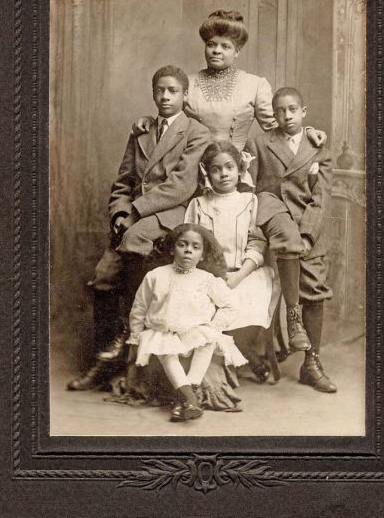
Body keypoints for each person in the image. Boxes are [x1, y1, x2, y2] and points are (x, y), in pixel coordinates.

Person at [67, 65, 211, 391]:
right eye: (159, 90)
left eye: (173, 90)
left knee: (133, 240)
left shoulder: (195, 132)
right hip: (134, 216)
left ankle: (128, 333)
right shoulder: (142, 131)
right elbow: (124, 180)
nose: (165, 96)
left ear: (185, 95)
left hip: (169, 213)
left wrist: (134, 211)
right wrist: (120, 211)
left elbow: (180, 186)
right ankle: (105, 356)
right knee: (103, 275)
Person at [247, 87, 337, 393]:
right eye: (280, 111)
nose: (286, 116)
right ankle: (258, 353)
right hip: (273, 224)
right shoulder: (260, 142)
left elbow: (321, 198)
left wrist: (309, 234)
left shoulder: (318, 146)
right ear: (273, 115)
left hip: (307, 226)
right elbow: (251, 188)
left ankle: (312, 362)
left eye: (292, 110)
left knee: (314, 290)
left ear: (304, 112)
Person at [133, 10, 326, 151]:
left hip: (235, 170)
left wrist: (306, 131)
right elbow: (168, 122)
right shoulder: (186, 83)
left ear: (237, 52)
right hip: (189, 167)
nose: (216, 51)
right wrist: (149, 122)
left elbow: (279, 127)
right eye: (211, 45)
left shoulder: (255, 85)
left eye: (225, 46)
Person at [126, 224, 247, 422]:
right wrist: (135, 335)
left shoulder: (207, 279)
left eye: (195, 247)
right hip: (164, 332)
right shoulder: (156, 276)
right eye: (183, 244)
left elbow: (231, 305)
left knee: (208, 342)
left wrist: (214, 327)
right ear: (173, 248)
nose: (188, 250)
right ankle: (190, 399)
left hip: (195, 332)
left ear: (203, 254)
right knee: (167, 353)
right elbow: (139, 308)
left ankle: (185, 400)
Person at [184, 141, 278, 381]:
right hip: (209, 274)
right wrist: (211, 274)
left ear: (239, 170)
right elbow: (191, 243)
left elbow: (257, 242)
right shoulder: (198, 205)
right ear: (207, 173)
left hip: (244, 272)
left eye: (229, 167)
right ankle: (226, 360)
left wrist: (239, 275)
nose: (223, 174)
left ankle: (242, 349)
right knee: (202, 302)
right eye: (216, 169)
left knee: (250, 297)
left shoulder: (250, 202)